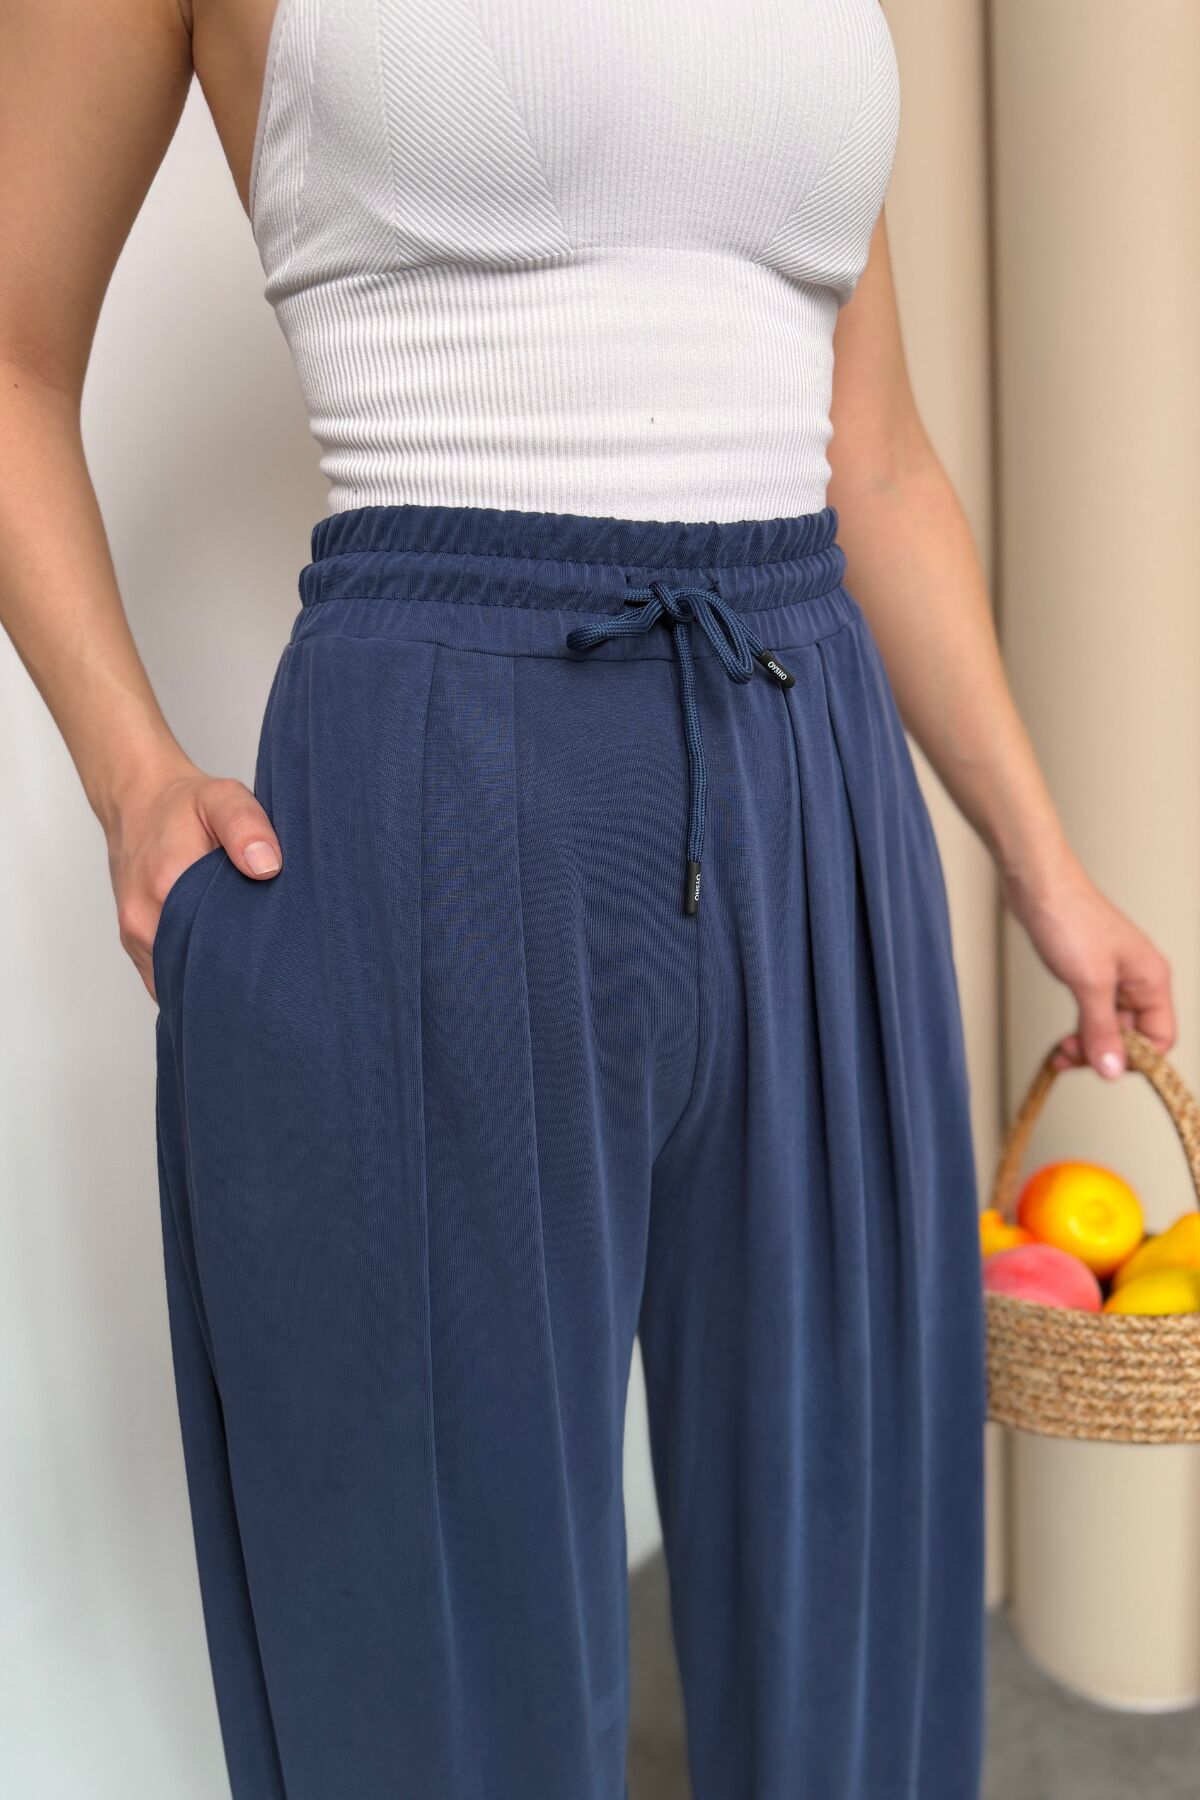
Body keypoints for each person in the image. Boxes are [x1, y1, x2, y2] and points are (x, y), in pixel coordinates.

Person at [0, 2, 1177, 1797]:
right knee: (430, 1653)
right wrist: (130, 780)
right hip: (437, 795)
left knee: (851, 1565)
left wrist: (1046, 867)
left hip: (809, 756)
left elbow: (874, 458)